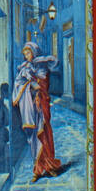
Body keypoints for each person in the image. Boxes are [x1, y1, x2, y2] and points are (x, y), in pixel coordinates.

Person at [11, 40, 63, 180]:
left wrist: (35, 84)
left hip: (41, 106)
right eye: (25, 53)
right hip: (31, 107)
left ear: (34, 52)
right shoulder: (24, 68)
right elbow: (19, 83)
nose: (27, 55)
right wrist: (30, 83)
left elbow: (43, 85)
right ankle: (38, 169)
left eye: (28, 52)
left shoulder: (41, 67)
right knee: (34, 136)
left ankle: (50, 165)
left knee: (44, 133)